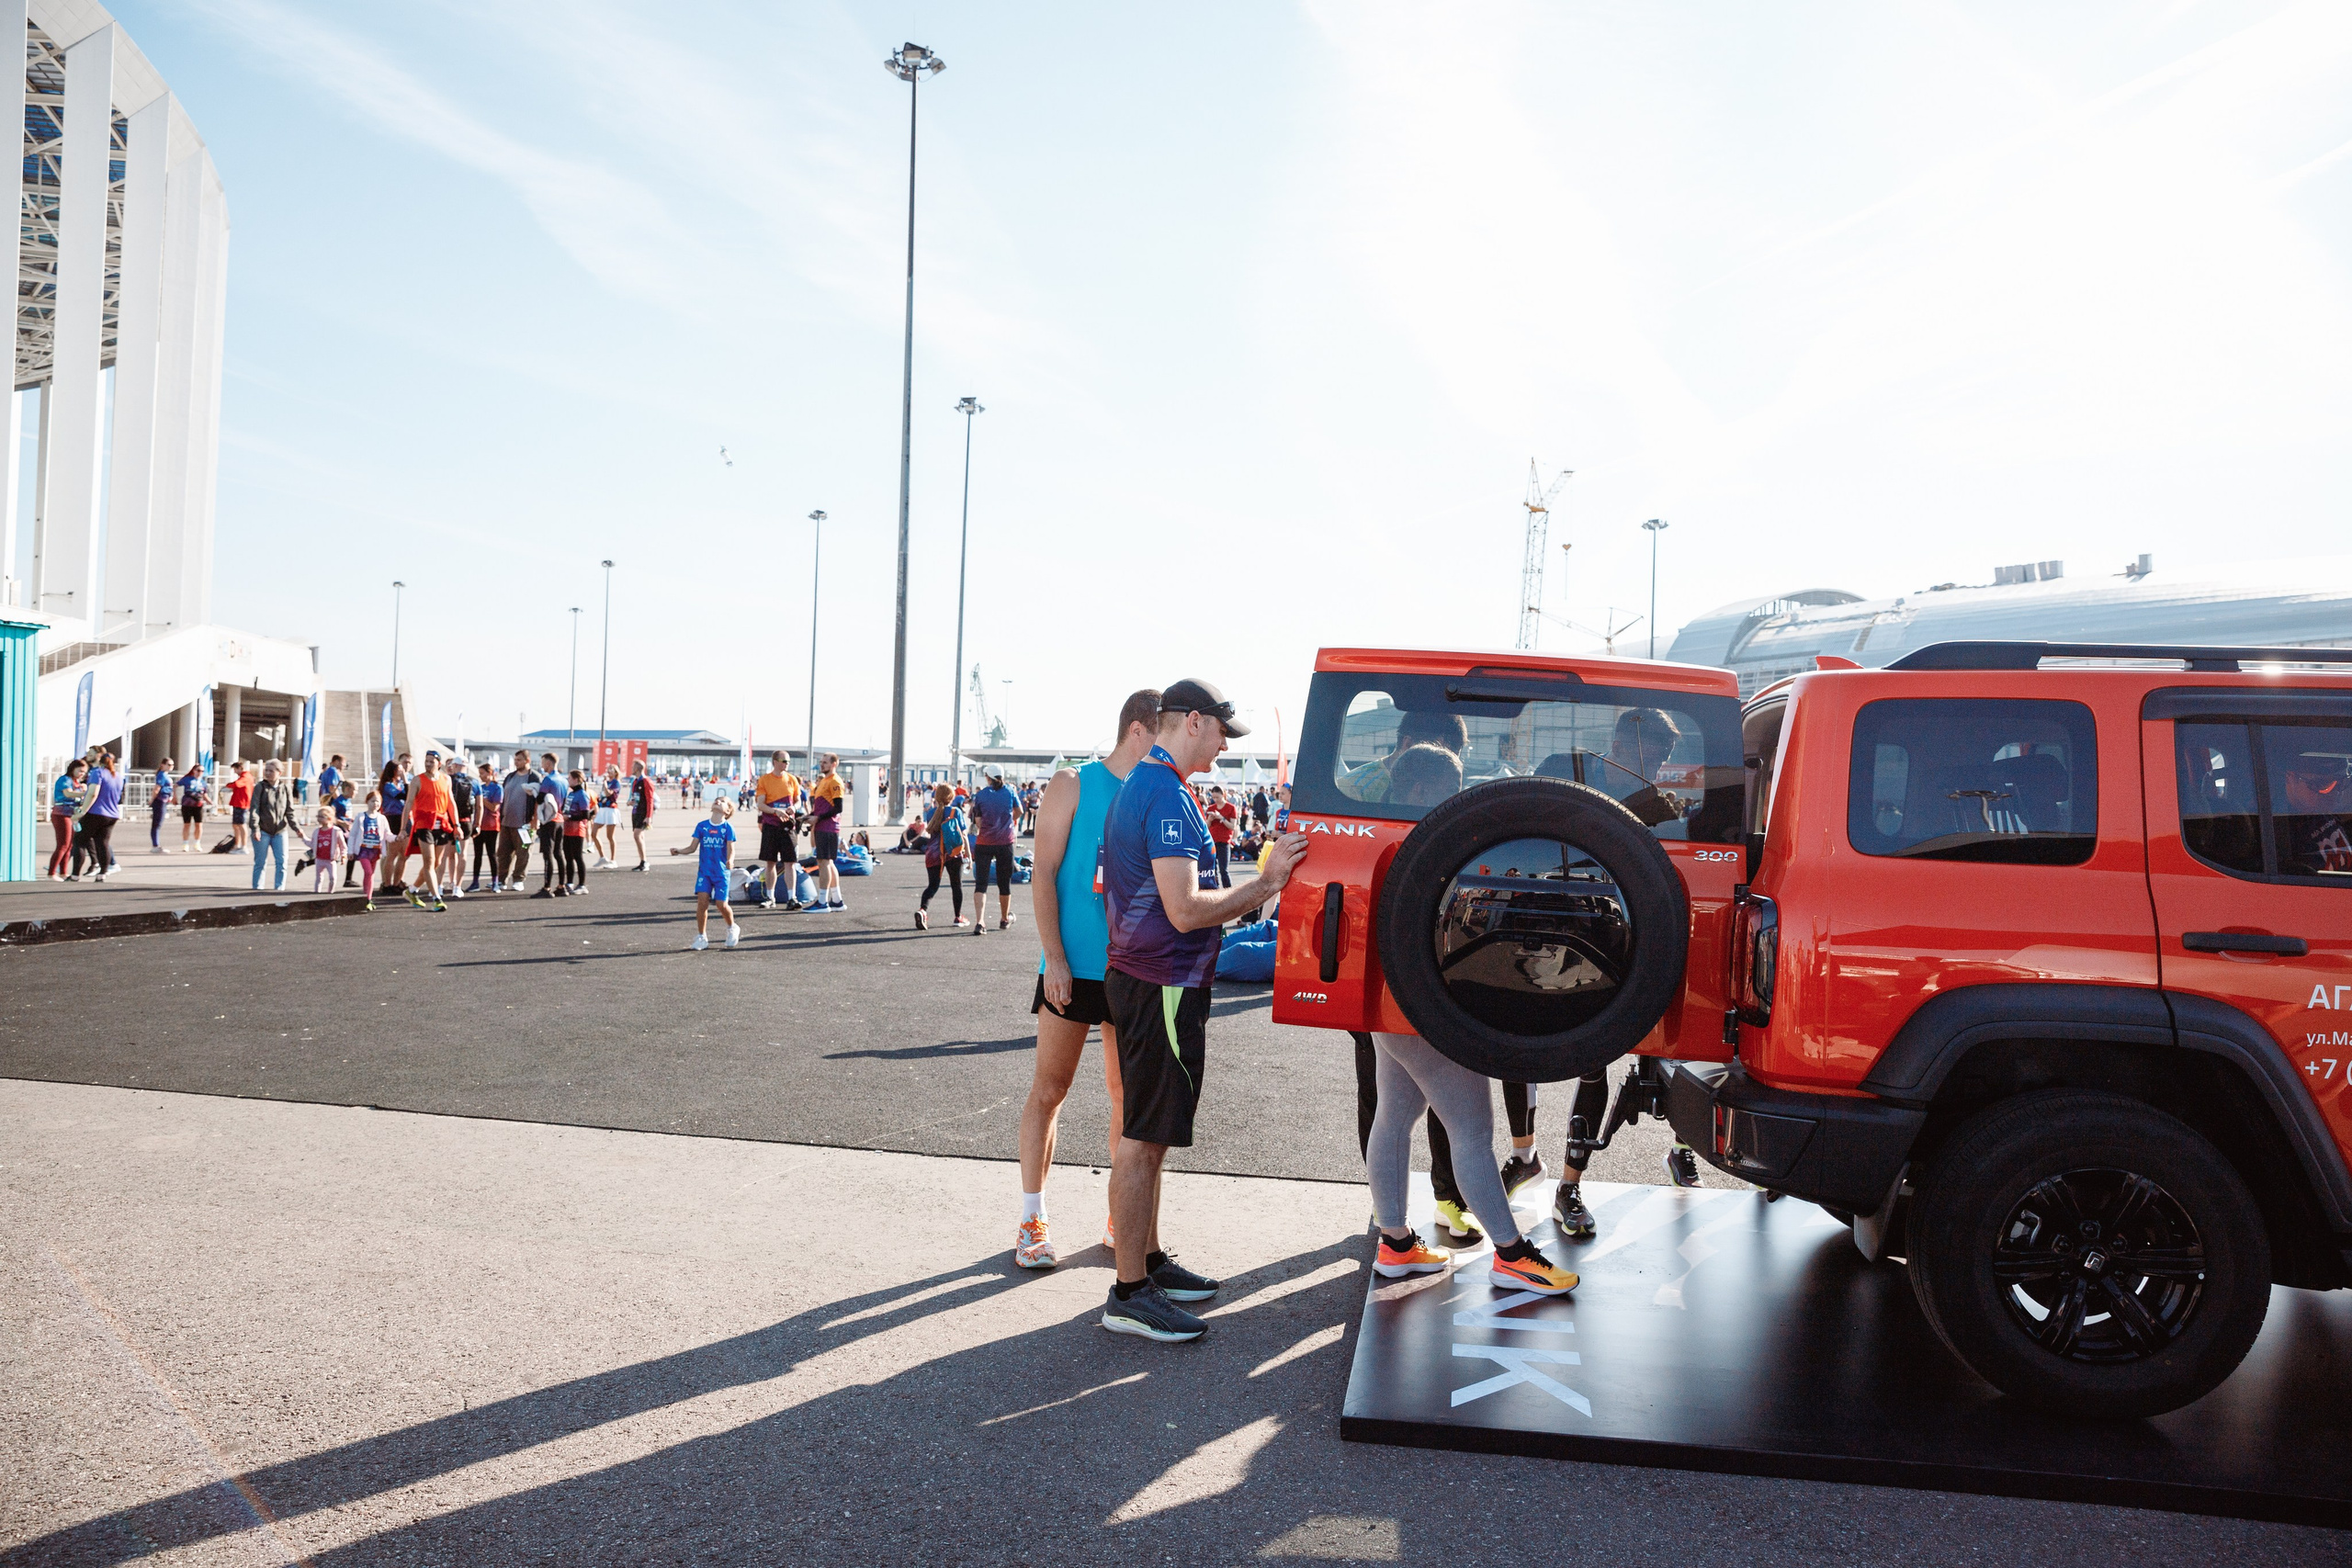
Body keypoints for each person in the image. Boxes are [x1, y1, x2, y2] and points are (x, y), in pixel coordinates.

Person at [1100, 680, 1307, 1343]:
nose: (1224, 745)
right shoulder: (1163, 791)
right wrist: (1266, 884)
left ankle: (1147, 1262)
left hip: (1155, 980)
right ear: (1193, 721)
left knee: (1152, 1132)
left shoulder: (1154, 782)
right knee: (1143, 1138)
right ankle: (1129, 1292)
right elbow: (1185, 909)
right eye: (1222, 731)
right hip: (1160, 983)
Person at [1013, 689, 1156, 1269]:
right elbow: (1043, 873)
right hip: (1072, 966)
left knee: (1127, 1098)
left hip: (1133, 969)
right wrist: (1055, 957)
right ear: (1139, 731)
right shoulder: (1073, 783)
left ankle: (1120, 1219)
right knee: (1050, 1091)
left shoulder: (1157, 791)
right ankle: (1032, 1220)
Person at [669, 795, 741, 949]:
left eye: (723, 802)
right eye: (717, 800)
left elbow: (731, 849)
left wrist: (730, 860)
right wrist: (679, 851)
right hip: (705, 872)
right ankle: (702, 936)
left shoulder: (728, 828)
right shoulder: (702, 826)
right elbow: (692, 847)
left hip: (721, 873)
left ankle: (732, 927)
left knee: (721, 904)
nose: (718, 801)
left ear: (728, 811)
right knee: (702, 903)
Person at [400, 752, 458, 910]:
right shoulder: (417, 780)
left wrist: (457, 825)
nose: (428, 764)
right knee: (429, 862)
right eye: (426, 761)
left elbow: (451, 803)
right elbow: (408, 803)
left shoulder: (446, 779)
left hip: (442, 825)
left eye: (431, 761)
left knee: (436, 863)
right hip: (424, 825)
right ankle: (436, 899)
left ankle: (412, 891)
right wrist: (403, 828)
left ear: (439, 763)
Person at [967, 765, 1021, 934]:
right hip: (1005, 842)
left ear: (988, 778)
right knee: (1004, 883)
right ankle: (1004, 919)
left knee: (981, 884)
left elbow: (977, 821)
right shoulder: (1010, 791)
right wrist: (1008, 821)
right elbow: (1019, 811)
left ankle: (980, 922)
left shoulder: (981, 795)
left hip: (984, 842)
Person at [753, 751, 804, 910]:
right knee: (770, 863)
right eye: (784, 761)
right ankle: (770, 897)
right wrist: (775, 811)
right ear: (775, 761)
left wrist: (794, 807)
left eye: (788, 761)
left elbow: (798, 800)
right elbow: (760, 804)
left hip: (788, 826)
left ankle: (792, 897)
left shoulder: (792, 779)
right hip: (771, 825)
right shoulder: (765, 780)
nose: (787, 764)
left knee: (790, 862)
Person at [915, 783, 967, 930]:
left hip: (933, 853)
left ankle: (922, 910)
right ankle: (958, 917)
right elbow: (963, 834)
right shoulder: (956, 812)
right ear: (952, 797)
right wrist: (968, 854)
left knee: (933, 885)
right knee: (956, 885)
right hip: (952, 853)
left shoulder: (931, 813)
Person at [250, 760, 300, 891]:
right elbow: (254, 809)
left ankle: (279, 889)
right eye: (266, 770)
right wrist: (255, 828)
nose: (267, 773)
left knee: (282, 862)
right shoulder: (260, 787)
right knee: (260, 862)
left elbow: (290, 811)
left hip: (280, 831)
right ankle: (257, 889)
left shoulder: (285, 788)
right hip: (263, 831)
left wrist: (297, 828)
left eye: (271, 771)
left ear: (279, 773)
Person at [808, 754, 846, 912]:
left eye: (825, 762)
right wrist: (810, 816)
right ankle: (836, 900)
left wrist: (818, 818)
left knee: (823, 862)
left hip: (828, 827)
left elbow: (838, 807)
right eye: (821, 762)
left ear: (834, 764)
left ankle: (822, 901)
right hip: (823, 826)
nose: (822, 765)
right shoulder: (824, 781)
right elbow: (822, 807)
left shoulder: (835, 781)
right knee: (828, 862)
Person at [497, 750, 537, 892]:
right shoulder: (510, 776)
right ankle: (501, 880)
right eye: (515, 760)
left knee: (523, 853)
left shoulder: (534, 778)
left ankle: (519, 879)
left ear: (527, 761)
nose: (516, 762)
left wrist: (535, 819)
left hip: (524, 824)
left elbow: (538, 800)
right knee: (503, 853)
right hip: (507, 822)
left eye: (519, 760)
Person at [348, 790, 392, 909]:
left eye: (377, 801)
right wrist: (350, 851)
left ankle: (368, 898)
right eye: (372, 801)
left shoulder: (382, 818)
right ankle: (366, 898)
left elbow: (387, 834)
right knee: (368, 872)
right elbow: (353, 835)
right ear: (367, 802)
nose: (375, 804)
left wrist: (396, 837)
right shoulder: (361, 817)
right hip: (363, 851)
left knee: (371, 875)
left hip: (375, 851)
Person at [48, 759, 87, 879]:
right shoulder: (65, 780)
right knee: (63, 844)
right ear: (73, 769)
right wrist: (86, 793)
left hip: (72, 815)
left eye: (84, 772)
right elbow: (68, 793)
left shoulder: (77, 783)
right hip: (61, 814)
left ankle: (63, 872)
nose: (82, 774)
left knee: (69, 845)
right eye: (80, 771)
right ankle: (51, 873)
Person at [444, 756, 477, 897]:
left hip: (449, 820)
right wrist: (478, 824)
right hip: (466, 821)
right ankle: (458, 886)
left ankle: (444, 884)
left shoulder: (447, 780)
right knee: (462, 854)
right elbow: (479, 805)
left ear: (454, 765)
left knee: (446, 855)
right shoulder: (474, 781)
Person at [469, 761, 503, 892]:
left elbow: (494, 807)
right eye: (480, 774)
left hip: (492, 825)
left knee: (491, 854)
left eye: (483, 773)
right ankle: (475, 882)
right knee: (477, 855)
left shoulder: (497, 788)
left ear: (490, 773)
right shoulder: (480, 787)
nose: (480, 776)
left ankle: (495, 882)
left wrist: (481, 799)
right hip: (479, 824)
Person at [561, 769, 594, 894]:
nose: (568, 780)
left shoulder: (582, 794)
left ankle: (582, 885)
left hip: (577, 830)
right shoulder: (571, 794)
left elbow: (586, 815)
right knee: (568, 857)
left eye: (569, 778)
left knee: (577, 856)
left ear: (575, 780)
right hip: (568, 829)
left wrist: (569, 817)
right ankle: (569, 882)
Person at [1202, 784, 1239, 887]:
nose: (1215, 800)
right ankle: (1215, 888)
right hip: (1212, 841)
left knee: (1224, 870)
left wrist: (1221, 818)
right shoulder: (1211, 808)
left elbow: (1232, 826)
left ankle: (1229, 891)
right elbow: (1206, 827)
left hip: (1224, 841)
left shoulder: (1231, 808)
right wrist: (1209, 820)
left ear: (1223, 795)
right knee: (1212, 869)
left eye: (1217, 797)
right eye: (1213, 797)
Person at [627, 760, 657, 871]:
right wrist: (630, 802)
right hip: (636, 811)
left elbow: (650, 800)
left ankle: (644, 861)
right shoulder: (635, 781)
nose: (631, 768)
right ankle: (643, 861)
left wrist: (649, 816)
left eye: (633, 767)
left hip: (643, 812)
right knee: (640, 836)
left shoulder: (646, 781)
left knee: (637, 835)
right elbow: (634, 796)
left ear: (637, 769)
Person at [309, 807, 347, 894]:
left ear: (329, 818)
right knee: (319, 878)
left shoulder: (336, 831)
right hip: (319, 859)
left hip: (330, 860)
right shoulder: (317, 831)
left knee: (332, 878)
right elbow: (312, 843)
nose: (319, 819)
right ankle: (317, 893)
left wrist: (343, 855)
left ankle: (330, 893)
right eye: (318, 816)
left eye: (322, 817)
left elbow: (342, 845)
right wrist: (303, 837)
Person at [177, 762, 209, 852]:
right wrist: (174, 797)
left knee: (199, 825)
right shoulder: (187, 779)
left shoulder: (203, 782)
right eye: (198, 770)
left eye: (202, 771)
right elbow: (176, 785)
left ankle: (197, 843)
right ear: (194, 771)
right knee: (187, 824)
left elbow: (205, 795)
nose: (200, 773)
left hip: (198, 805)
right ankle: (185, 844)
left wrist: (211, 802)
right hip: (187, 805)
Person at [226, 761, 254, 852]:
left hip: (242, 803)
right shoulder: (245, 776)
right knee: (235, 824)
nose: (235, 772)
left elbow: (237, 784)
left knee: (241, 824)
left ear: (239, 768)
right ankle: (237, 844)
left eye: (235, 769)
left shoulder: (246, 776)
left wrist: (228, 785)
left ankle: (244, 846)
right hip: (238, 803)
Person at [150, 758, 175, 852]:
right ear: (163, 765)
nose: (171, 767)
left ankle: (156, 844)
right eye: (169, 765)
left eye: (172, 765)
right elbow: (157, 788)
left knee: (158, 823)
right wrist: (152, 799)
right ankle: (155, 845)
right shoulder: (162, 775)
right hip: (160, 801)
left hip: (164, 800)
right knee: (157, 823)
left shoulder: (165, 775)